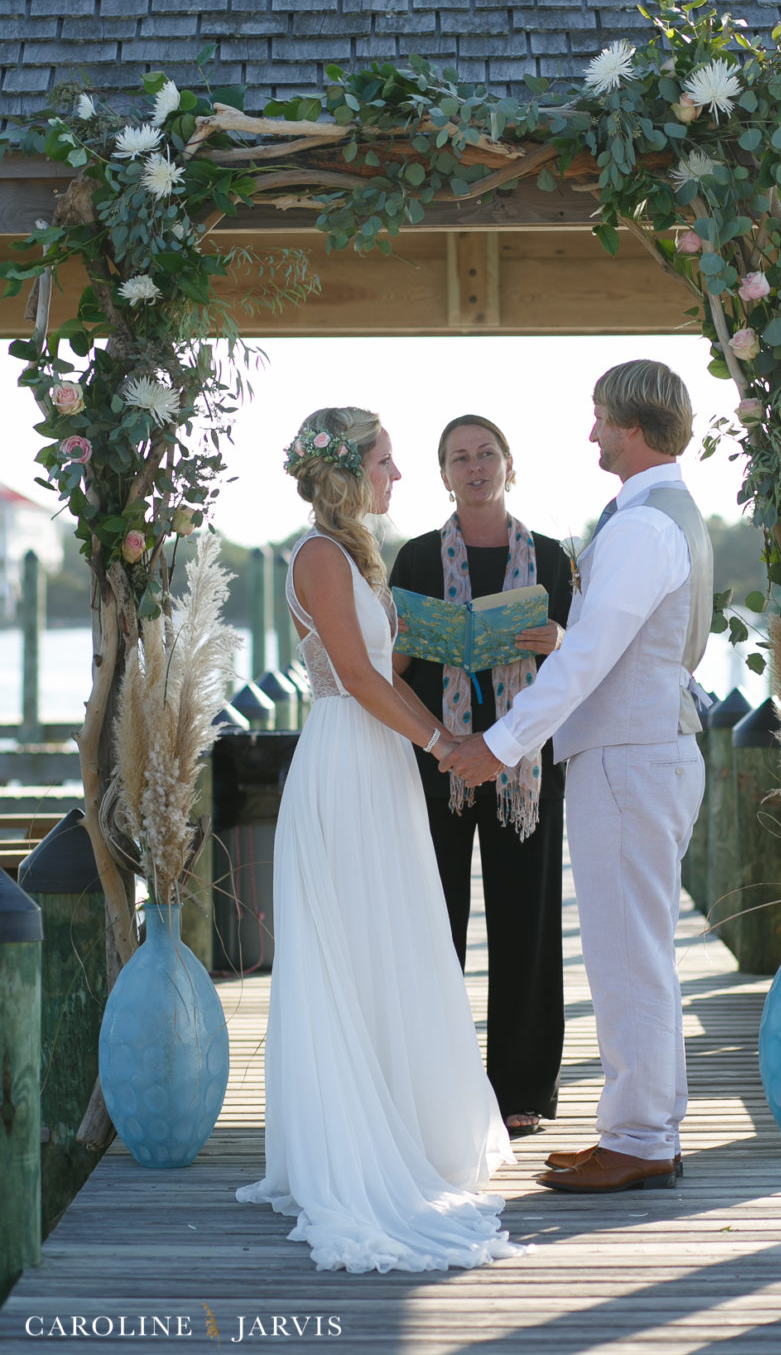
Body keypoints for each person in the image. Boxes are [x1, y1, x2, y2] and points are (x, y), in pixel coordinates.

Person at [236, 406, 518, 1273]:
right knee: (351, 947)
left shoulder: (354, 553)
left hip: (382, 765)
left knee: (389, 939)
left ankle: (403, 1119)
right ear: (349, 470)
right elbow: (354, 679)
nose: (399, 477)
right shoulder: (319, 555)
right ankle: (351, 1144)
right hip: (346, 763)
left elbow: (381, 666)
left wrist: (447, 658)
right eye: (388, 462)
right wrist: (443, 744)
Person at [444, 361, 713, 1195]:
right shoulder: (667, 515)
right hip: (643, 749)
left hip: (629, 756)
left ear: (632, 427)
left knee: (626, 953)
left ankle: (637, 1135)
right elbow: (606, 644)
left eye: (599, 419)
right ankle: (648, 1127)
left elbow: (592, 660)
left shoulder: (640, 527)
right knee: (642, 949)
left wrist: (498, 742)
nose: (591, 432)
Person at [389, 415, 573, 1140]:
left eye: (486, 453)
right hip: (441, 759)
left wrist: (559, 638)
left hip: (524, 764)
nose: (474, 466)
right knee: (435, 923)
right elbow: (392, 667)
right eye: (459, 457)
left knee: (526, 921)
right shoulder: (413, 559)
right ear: (443, 474)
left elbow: (583, 663)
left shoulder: (554, 560)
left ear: (508, 464)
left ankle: (521, 1086)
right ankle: (437, 1081)